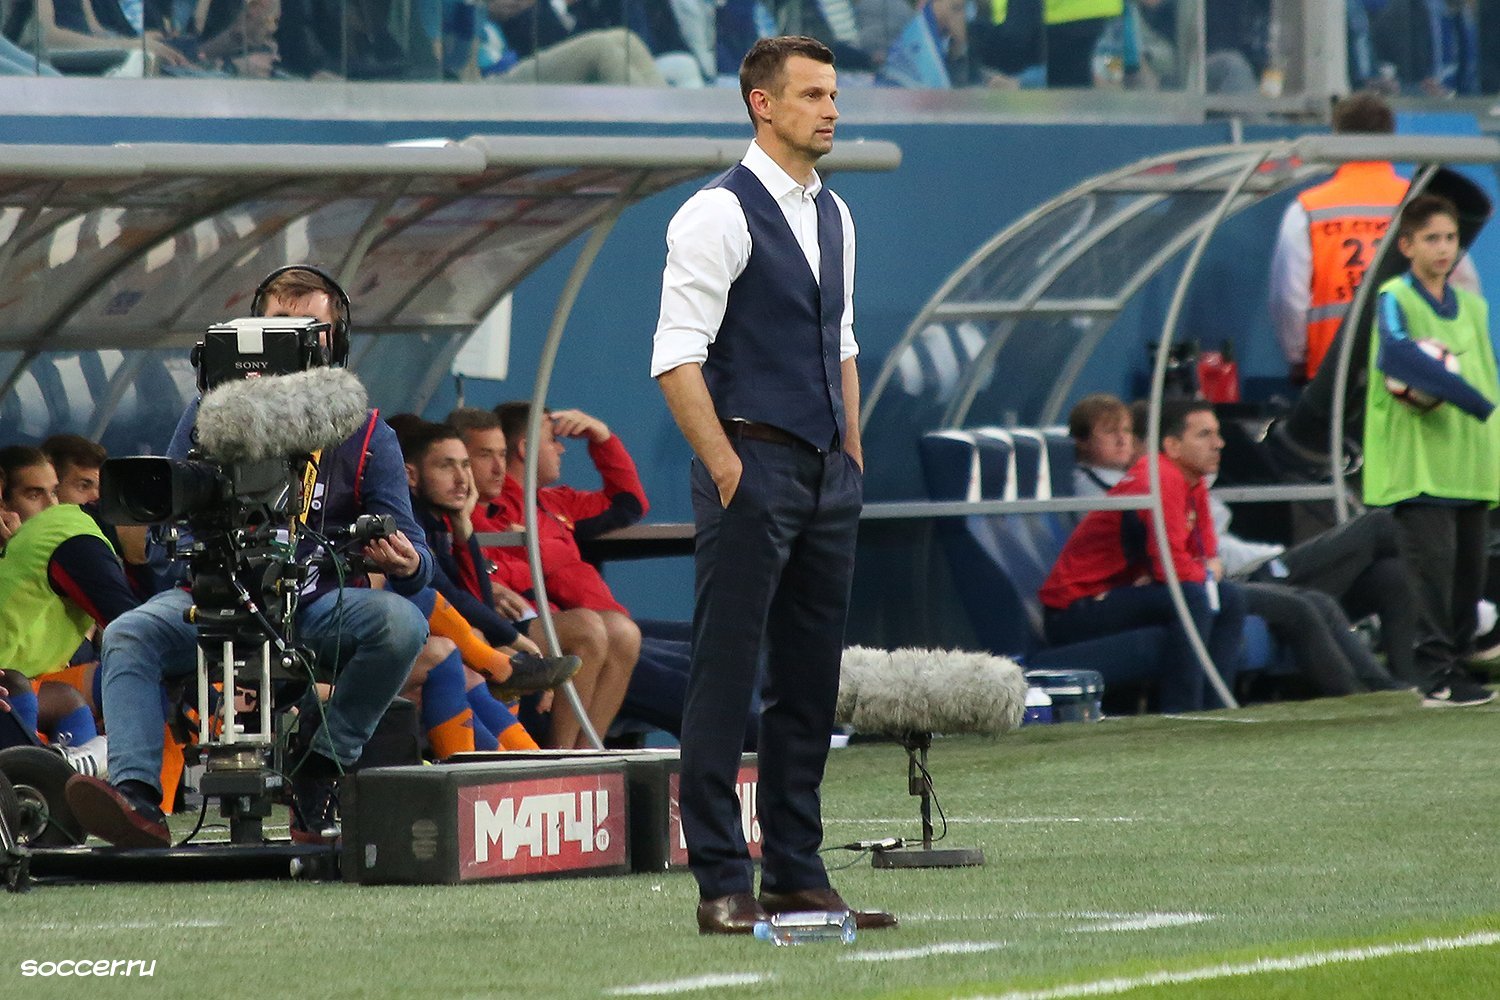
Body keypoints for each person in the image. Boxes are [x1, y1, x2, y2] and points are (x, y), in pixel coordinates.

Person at [651, 35, 893, 937]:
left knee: (808, 682)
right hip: (752, 463)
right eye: (814, 95)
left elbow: (843, 344)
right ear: (763, 103)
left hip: (827, 472)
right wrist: (728, 469)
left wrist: (850, 455)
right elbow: (676, 358)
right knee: (724, 677)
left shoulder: (836, 213)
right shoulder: (715, 213)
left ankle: (796, 872)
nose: (832, 110)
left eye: (834, 95)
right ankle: (722, 879)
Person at [63, 265, 433, 848]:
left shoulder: (366, 434)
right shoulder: (206, 415)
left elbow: (418, 558)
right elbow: (166, 517)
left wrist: (407, 562)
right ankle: (136, 797)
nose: (288, 338)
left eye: (306, 327)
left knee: (402, 624)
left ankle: (323, 765)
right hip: (210, 598)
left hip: (314, 603)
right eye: (276, 324)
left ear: (333, 342)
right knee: (130, 633)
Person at [1364, 193, 1500, 707]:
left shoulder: (1474, 307)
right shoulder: (1395, 297)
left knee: (1469, 576)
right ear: (1407, 245)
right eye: (1431, 239)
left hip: (1471, 464)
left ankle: (1459, 665)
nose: (1443, 248)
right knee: (1433, 575)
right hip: (1420, 467)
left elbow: (1487, 373)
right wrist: (1473, 402)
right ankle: (1435, 674)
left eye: (1450, 238)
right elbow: (1399, 357)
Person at [1041, 400, 1245, 712]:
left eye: (1216, 434)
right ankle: (1184, 713)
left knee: (1230, 597)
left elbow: (1204, 553)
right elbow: (1174, 567)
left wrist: (1204, 571)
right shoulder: (1160, 478)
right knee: (1192, 597)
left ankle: (1218, 708)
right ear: (1172, 446)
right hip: (1077, 607)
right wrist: (1204, 572)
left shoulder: (1192, 483)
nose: (1219, 443)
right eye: (1205, 435)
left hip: (1122, 593)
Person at [1268, 90, 1479, 386]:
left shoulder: (1308, 210)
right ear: (1390, 136)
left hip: (1336, 372)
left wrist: (1298, 356)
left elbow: (1289, 298)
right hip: (1415, 370)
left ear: (1336, 136)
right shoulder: (1422, 204)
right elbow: (1464, 284)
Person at [0, 447, 135, 766]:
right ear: (3, 502)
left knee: (68, 697)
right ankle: (35, 773)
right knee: (14, 682)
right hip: (12, 680)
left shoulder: (35, 550)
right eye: (34, 495)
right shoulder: (59, 541)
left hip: (35, 677)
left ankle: (72, 773)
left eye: (53, 493)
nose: (51, 507)